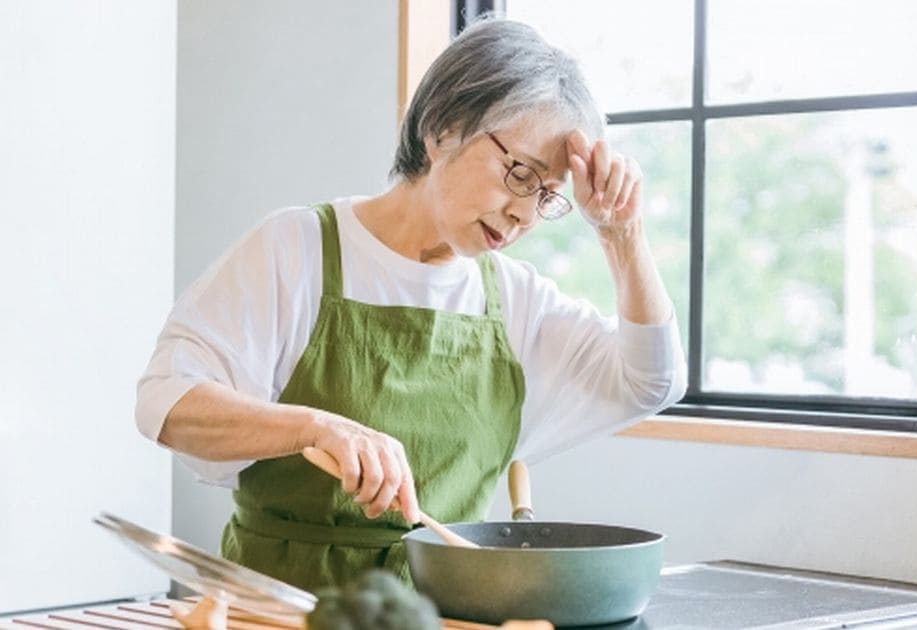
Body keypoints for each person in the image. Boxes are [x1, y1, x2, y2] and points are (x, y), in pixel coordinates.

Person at [134, 16, 686, 591]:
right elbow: (168, 403)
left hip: (443, 608)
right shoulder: (296, 249)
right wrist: (316, 428)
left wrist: (623, 236)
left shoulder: (515, 299)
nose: (525, 213)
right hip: (278, 606)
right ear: (443, 129)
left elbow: (652, 381)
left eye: (546, 195)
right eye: (520, 173)